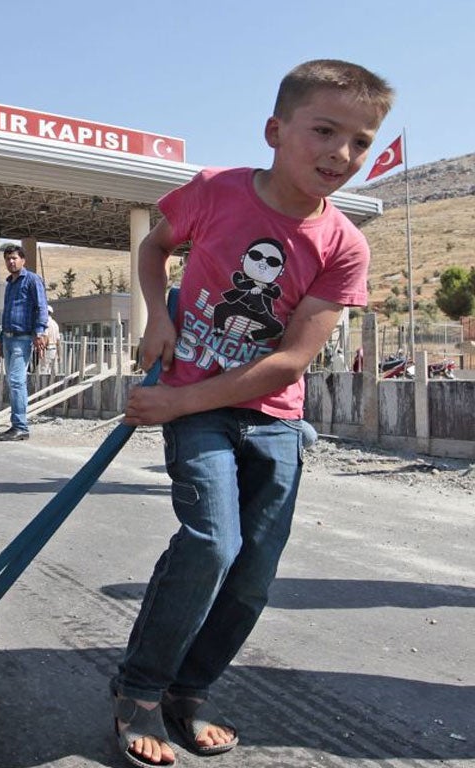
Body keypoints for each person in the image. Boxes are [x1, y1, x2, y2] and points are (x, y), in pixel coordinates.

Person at [112, 60, 394, 766]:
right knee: (211, 543)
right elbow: (155, 246)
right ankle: (140, 690)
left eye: (360, 142)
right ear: (275, 130)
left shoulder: (344, 246)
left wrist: (175, 399)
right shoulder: (216, 191)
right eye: (325, 131)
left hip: (270, 417)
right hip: (201, 412)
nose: (342, 154)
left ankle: (188, 692)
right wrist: (157, 316)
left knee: (253, 574)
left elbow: (290, 362)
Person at [0, 243, 49, 441]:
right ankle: (16, 426)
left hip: (23, 338)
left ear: (23, 260)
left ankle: (20, 427)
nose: (11, 262)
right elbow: (6, 314)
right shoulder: (10, 283)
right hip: (9, 338)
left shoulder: (32, 280)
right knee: (13, 382)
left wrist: (40, 332)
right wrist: (1, 339)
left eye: (14, 258)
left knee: (17, 382)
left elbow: (41, 307)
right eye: (8, 259)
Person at [37, 305, 61, 375]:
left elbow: (46, 337)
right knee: (53, 371)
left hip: (47, 349)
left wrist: (42, 350)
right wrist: (59, 354)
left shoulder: (45, 323)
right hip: (54, 349)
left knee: (44, 370)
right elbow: (58, 341)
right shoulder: (55, 324)